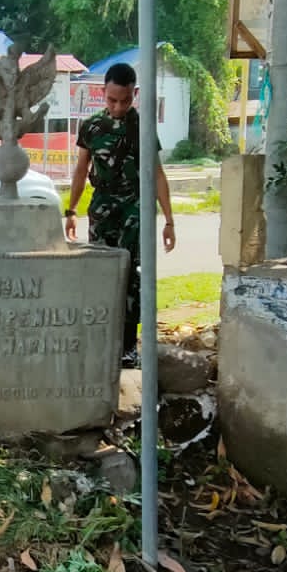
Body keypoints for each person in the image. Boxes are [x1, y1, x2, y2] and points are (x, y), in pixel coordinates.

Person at [64, 62, 177, 369]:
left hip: (135, 210)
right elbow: (80, 171)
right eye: (112, 100)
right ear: (103, 93)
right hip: (102, 210)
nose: (118, 106)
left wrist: (168, 221)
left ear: (134, 94)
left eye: (125, 100)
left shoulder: (142, 127)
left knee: (132, 276)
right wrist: (70, 210)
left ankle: (128, 346)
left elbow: (157, 174)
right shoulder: (91, 127)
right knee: (100, 274)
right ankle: (100, 341)